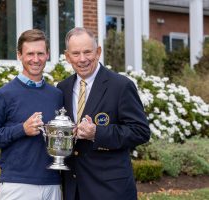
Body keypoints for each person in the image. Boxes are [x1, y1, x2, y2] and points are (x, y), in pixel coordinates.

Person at [57, 27, 151, 200]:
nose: (82, 59)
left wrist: (97, 133)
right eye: (76, 53)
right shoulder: (62, 88)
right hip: (74, 189)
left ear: (98, 52)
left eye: (87, 52)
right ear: (67, 56)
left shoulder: (121, 86)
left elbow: (141, 132)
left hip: (110, 190)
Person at [0, 29, 63, 200]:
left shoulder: (57, 95)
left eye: (40, 53)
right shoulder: (5, 94)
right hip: (18, 185)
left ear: (48, 54)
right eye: (30, 53)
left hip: (53, 183)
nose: (36, 59)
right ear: (19, 55)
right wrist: (21, 129)